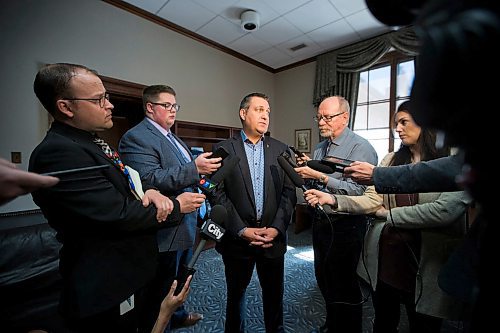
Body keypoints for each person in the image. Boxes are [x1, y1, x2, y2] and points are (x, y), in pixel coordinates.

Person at [28, 63, 191, 332]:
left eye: (106, 96)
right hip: (102, 282)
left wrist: (145, 190)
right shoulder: (58, 153)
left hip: (125, 274)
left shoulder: (90, 142)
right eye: (98, 99)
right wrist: (176, 206)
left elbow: (125, 185)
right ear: (66, 107)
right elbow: (118, 214)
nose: (110, 105)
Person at [119, 84, 220, 329]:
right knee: (160, 287)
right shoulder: (136, 137)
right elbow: (148, 180)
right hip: (164, 229)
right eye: (167, 105)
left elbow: (184, 174)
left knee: (181, 278)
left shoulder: (172, 137)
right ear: (150, 108)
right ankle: (158, 325)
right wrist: (194, 168)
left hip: (185, 223)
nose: (173, 110)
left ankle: (177, 316)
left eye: (175, 105)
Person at [211, 92, 296, 333]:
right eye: (259, 109)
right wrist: (241, 229)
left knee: (274, 295)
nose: (265, 115)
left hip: (273, 239)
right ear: (243, 113)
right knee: (236, 296)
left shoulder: (281, 150)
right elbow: (216, 193)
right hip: (237, 242)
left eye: (268, 111)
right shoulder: (223, 149)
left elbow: (289, 193)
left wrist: (276, 228)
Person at [294, 96, 378, 333]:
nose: (321, 122)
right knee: (324, 277)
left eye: (327, 117)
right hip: (321, 222)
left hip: (347, 226)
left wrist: (321, 177)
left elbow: (361, 192)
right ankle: (333, 323)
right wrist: (308, 174)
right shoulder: (320, 148)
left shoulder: (361, 148)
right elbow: (319, 184)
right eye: (318, 117)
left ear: (344, 117)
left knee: (345, 283)